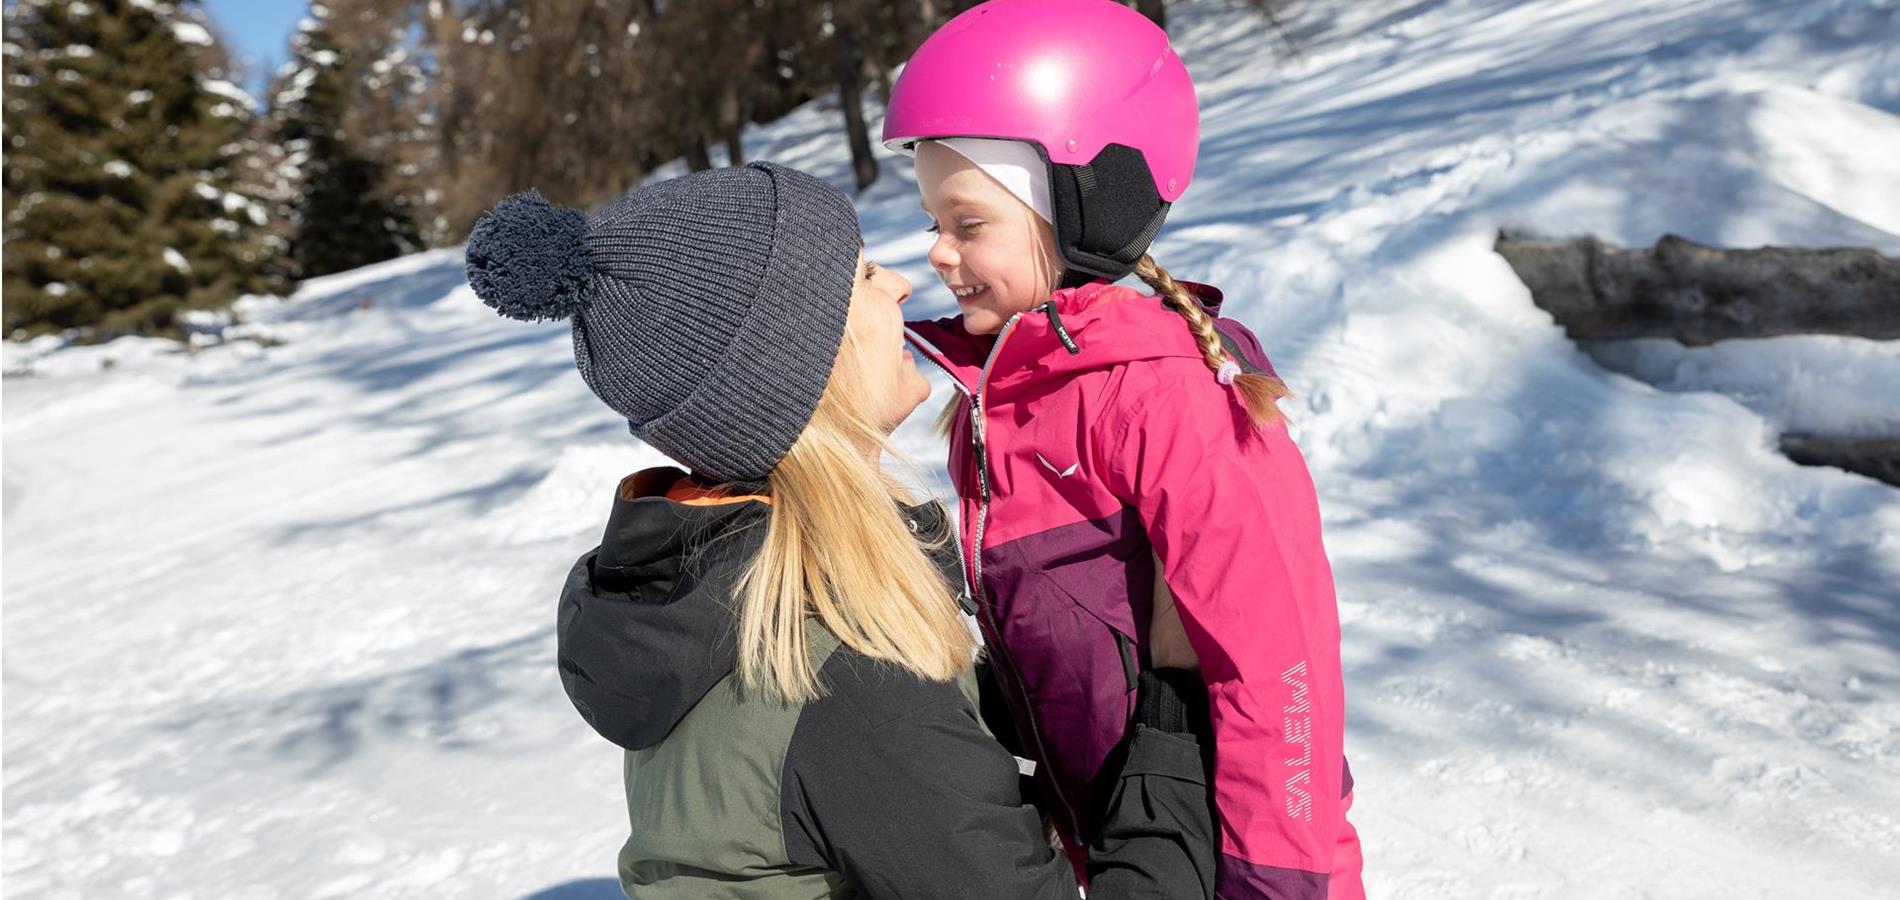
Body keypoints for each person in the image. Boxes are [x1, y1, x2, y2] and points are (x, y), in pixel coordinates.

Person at [463, 161, 1219, 898]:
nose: (900, 283)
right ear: (807, 362)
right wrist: (1172, 703)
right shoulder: (848, 683)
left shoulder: (720, 603)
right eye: (861, 277)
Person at [881, 2, 1366, 897]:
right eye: (931, 221)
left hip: (1238, 868)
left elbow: (1280, 669)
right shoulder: (1005, 400)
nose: (939, 255)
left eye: (969, 222)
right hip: (1130, 857)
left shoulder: (1164, 395)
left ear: (1084, 205)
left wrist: (1274, 885)